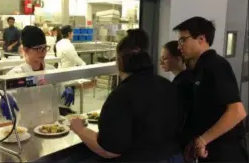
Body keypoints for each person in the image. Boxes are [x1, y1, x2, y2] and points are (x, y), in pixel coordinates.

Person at [69, 29, 183, 163]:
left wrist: (80, 129)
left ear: (119, 61)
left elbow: (110, 150)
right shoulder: (168, 85)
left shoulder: (121, 95)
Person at [173, 16, 248, 162]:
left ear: (201, 39)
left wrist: (202, 140)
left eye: (183, 40)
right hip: (208, 151)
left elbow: (237, 111)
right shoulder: (197, 69)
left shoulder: (216, 65)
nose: (179, 46)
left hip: (225, 152)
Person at [0, 26, 74, 128]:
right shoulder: (16, 74)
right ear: (26, 49)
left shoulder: (52, 71)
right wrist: (1, 101)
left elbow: (62, 99)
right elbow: (0, 96)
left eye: (45, 48)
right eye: (38, 49)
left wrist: (66, 91)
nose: (43, 52)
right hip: (28, 132)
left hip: (53, 129)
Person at [160, 41, 194, 150]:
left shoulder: (182, 84)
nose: (161, 62)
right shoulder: (189, 77)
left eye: (165, 58)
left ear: (179, 58)